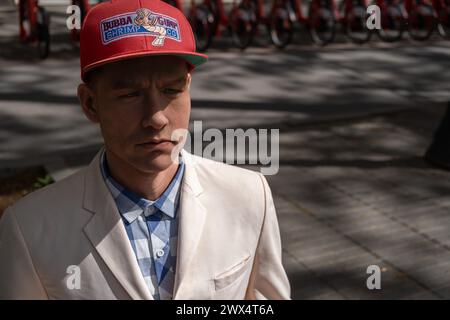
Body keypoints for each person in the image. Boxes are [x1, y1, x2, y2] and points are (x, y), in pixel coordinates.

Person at [0, 0, 290, 300]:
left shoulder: (249, 197)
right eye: (129, 94)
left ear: (188, 87)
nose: (157, 118)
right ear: (90, 103)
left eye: (172, 90)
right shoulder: (29, 229)